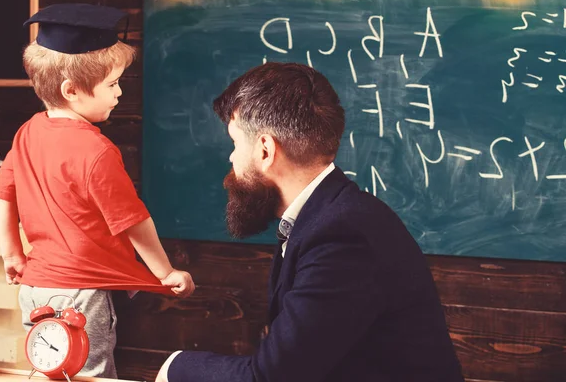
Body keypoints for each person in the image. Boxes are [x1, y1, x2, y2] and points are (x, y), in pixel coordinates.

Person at [156, 62, 464, 382]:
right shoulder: (324, 216)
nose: (231, 159)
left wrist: (176, 366)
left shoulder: (343, 236)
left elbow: (273, 378)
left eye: (235, 144)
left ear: (265, 150)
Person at [0, 3, 195, 378]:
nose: (119, 92)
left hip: (34, 287)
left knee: (48, 374)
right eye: (113, 83)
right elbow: (133, 221)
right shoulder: (96, 150)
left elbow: (1, 198)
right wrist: (165, 272)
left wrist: (13, 256)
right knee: (89, 376)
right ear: (71, 90)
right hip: (80, 294)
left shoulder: (28, 131)